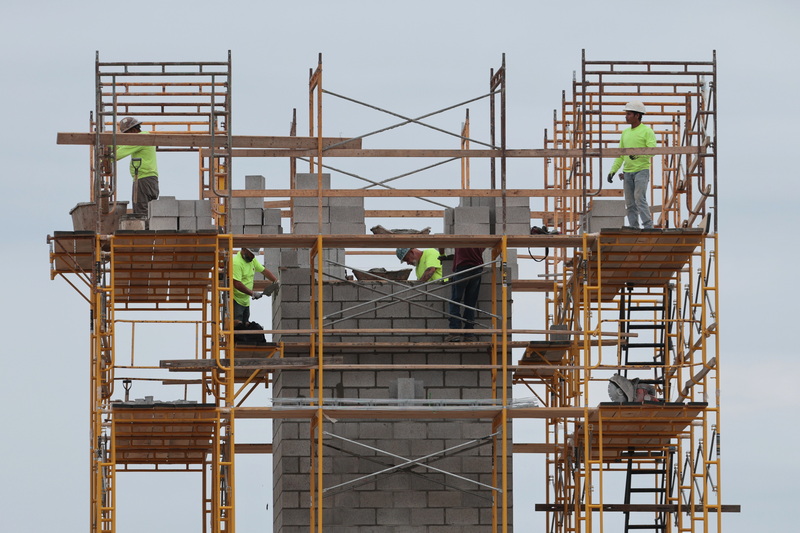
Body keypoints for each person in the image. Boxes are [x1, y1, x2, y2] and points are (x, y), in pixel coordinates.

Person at [607, 101, 657, 229]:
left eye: (629, 114)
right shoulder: (625, 133)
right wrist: (612, 171)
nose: (626, 116)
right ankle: (634, 227)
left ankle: (648, 226)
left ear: (637, 115)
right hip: (628, 172)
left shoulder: (647, 131)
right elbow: (621, 155)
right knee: (630, 203)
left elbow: (652, 150)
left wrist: (639, 155)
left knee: (639, 198)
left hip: (641, 171)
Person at [115, 117, 159, 215]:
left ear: (133, 130)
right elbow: (123, 146)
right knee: (150, 212)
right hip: (151, 180)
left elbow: (117, 155)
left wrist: (103, 157)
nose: (127, 138)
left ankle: (144, 230)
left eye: (127, 135)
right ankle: (150, 229)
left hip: (143, 179)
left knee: (141, 212)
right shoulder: (145, 138)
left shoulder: (140, 139)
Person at [446, 248, 485, 342]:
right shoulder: (480, 237)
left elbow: (442, 244)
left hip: (463, 266)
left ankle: (455, 332)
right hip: (477, 268)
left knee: (455, 301)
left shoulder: (461, 235)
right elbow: (483, 247)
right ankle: (469, 333)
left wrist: (442, 255)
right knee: (470, 303)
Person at [232, 247, 280, 325]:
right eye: (251, 254)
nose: (253, 257)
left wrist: (276, 281)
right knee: (237, 325)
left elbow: (264, 271)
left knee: (246, 325)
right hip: (236, 299)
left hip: (245, 300)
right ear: (244, 250)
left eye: (254, 255)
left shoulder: (252, 260)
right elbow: (237, 283)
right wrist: (252, 293)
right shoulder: (236, 263)